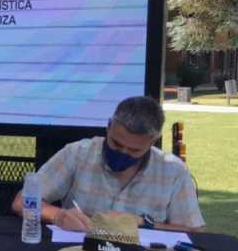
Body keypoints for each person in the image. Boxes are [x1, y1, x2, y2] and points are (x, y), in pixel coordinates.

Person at [11, 96, 204, 232]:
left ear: (153, 141)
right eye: (117, 144)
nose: (123, 153)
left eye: (134, 150)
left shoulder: (173, 170)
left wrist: (141, 223)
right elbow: (22, 202)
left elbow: (195, 232)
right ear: (108, 126)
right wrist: (59, 216)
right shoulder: (77, 153)